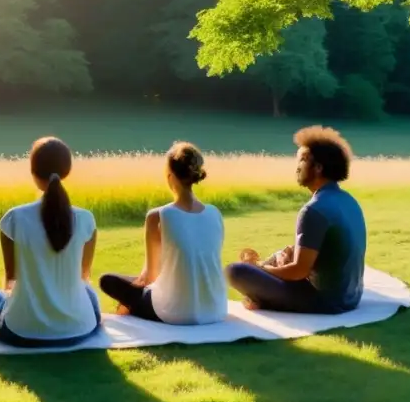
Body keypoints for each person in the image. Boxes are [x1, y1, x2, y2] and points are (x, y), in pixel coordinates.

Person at [0, 137, 101, 348]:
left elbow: (11, 278)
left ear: (34, 173)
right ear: (67, 171)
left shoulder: (14, 218)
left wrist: (15, 305)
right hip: (79, 329)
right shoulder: (86, 219)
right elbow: (84, 275)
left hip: (22, 332)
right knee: (90, 292)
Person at [227, 126, 367, 314]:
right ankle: (262, 291)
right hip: (352, 296)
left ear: (318, 168)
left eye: (302, 159)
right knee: (284, 254)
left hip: (327, 302)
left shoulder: (313, 210)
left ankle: (260, 297)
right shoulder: (348, 200)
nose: (298, 166)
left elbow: (298, 272)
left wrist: (260, 267)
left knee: (236, 271)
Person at [99, 141, 228, 325]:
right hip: (215, 308)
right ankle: (133, 302)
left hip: (176, 312)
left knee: (108, 281)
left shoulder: (158, 216)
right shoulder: (215, 213)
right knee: (137, 284)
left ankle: (131, 306)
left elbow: (151, 276)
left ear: (170, 177)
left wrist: (137, 285)